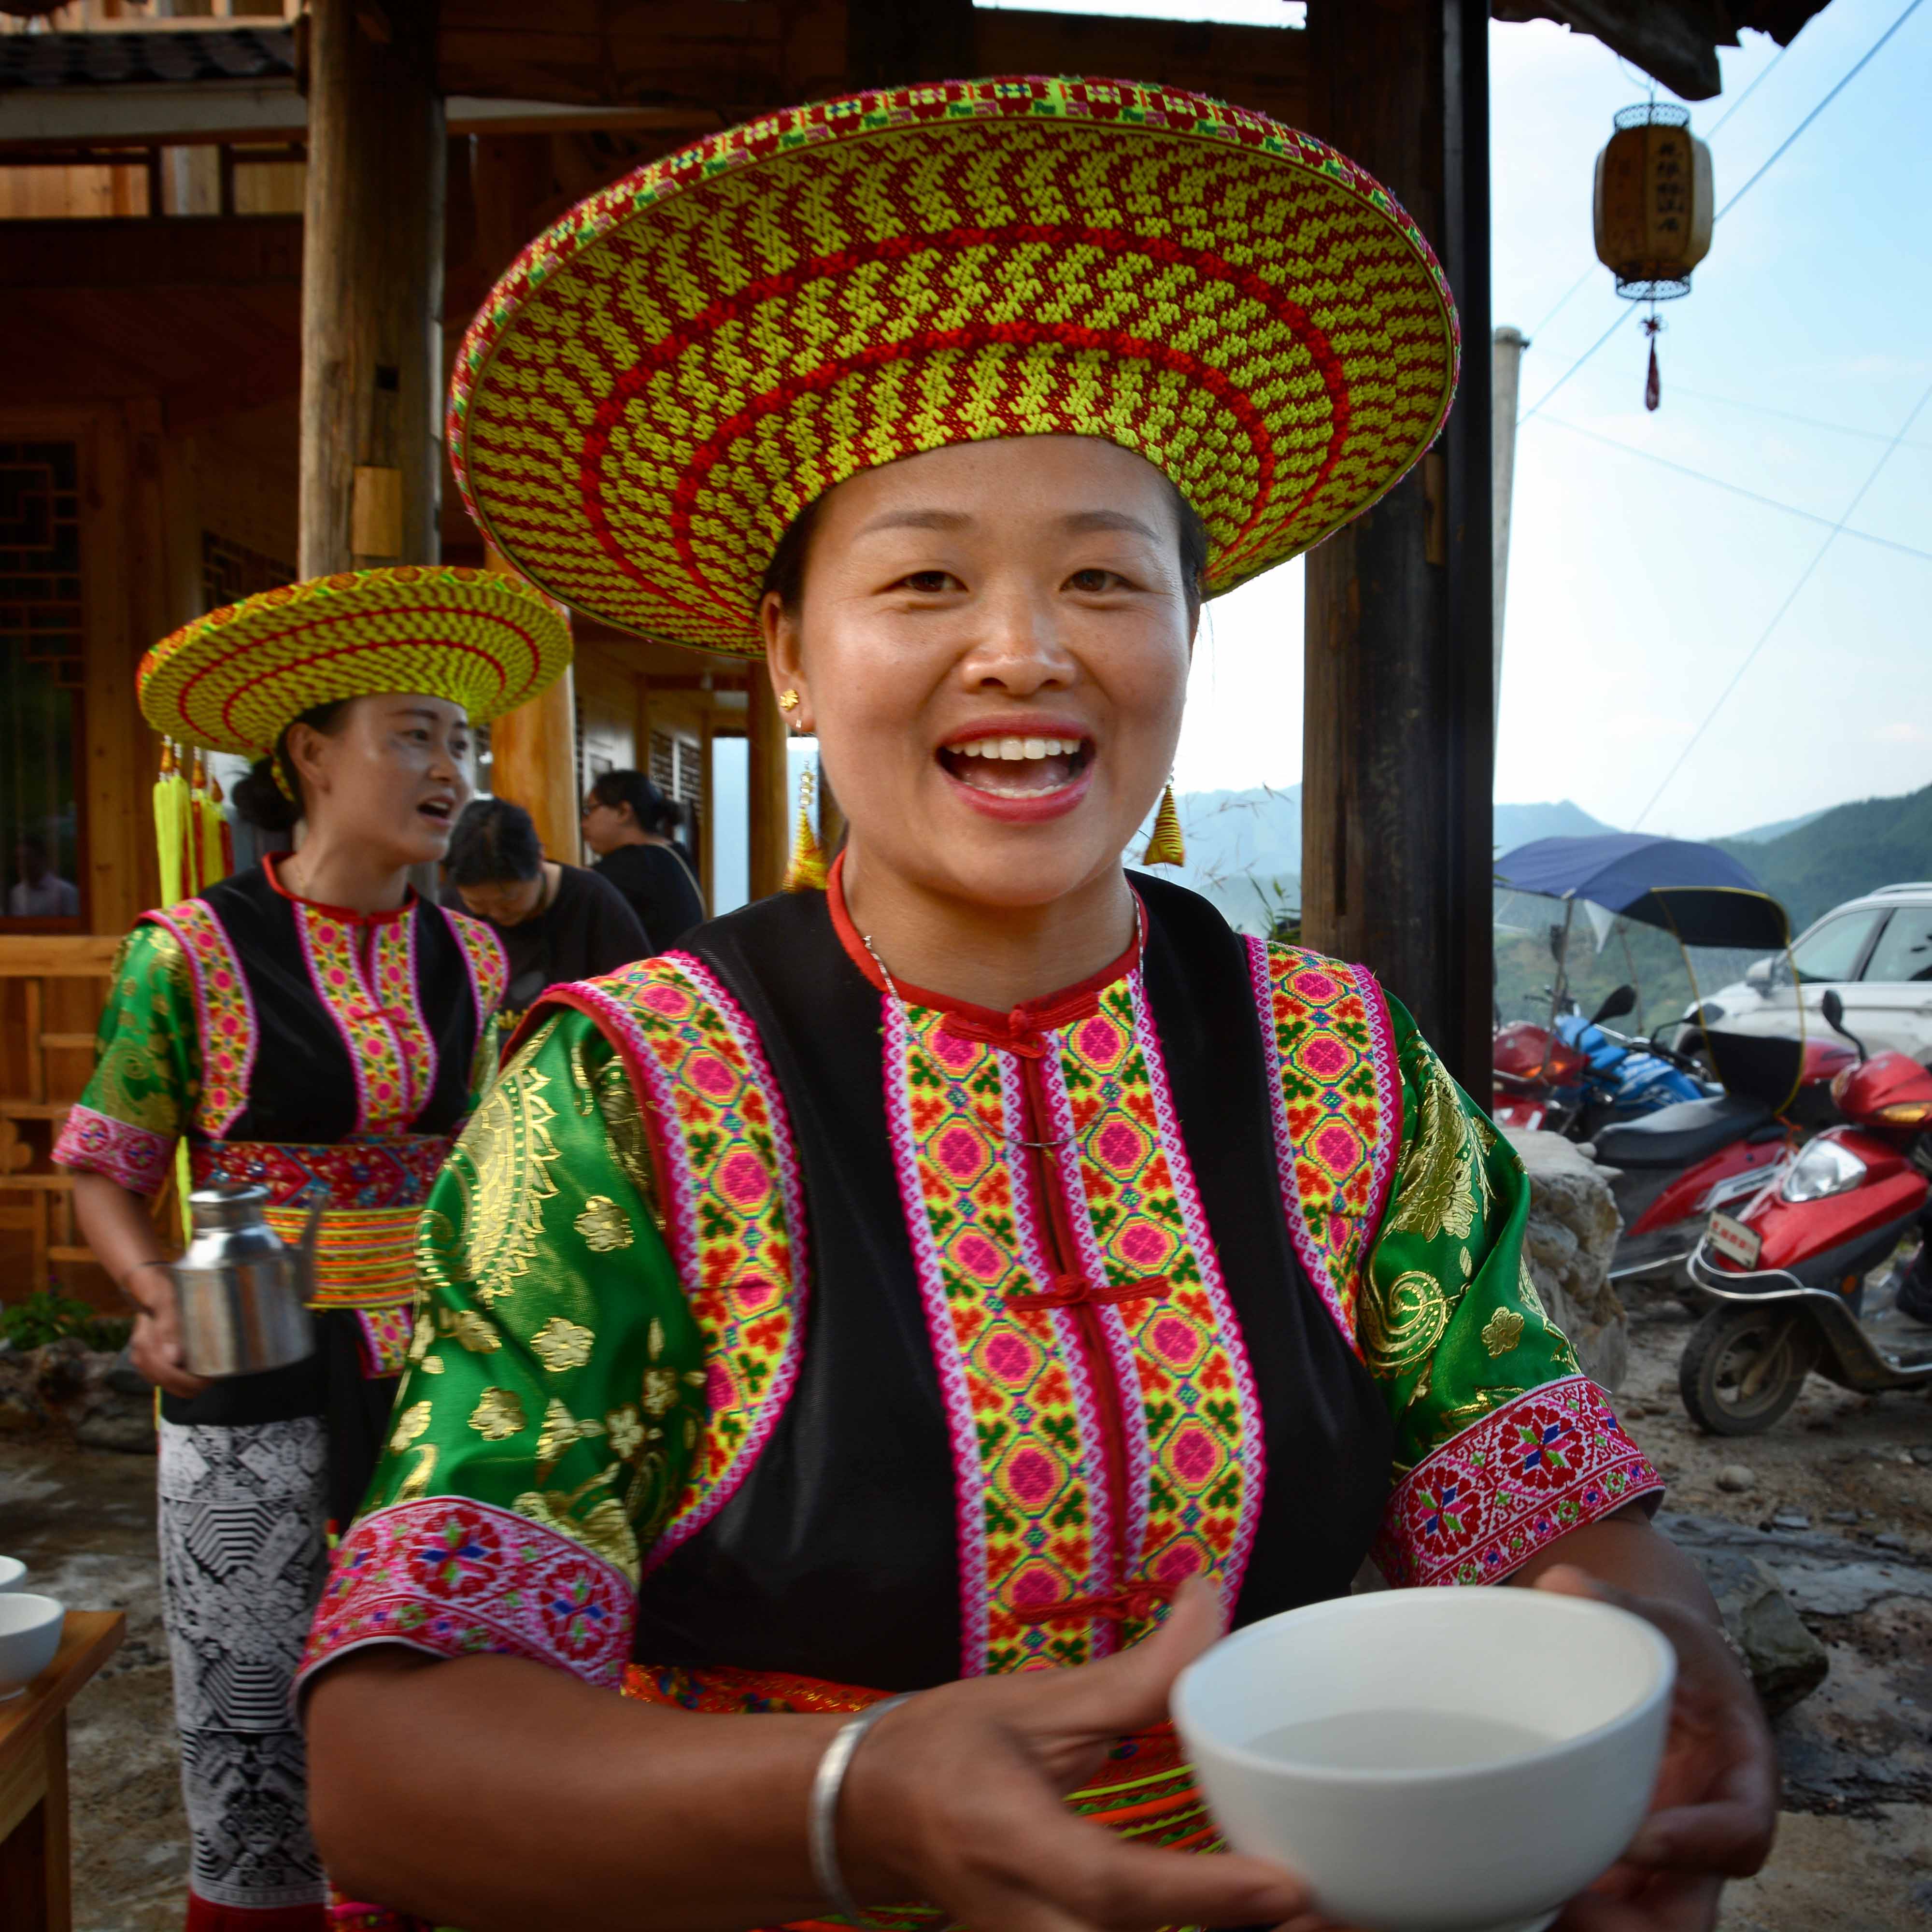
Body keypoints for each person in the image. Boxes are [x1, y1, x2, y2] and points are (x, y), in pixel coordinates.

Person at [300, 79, 1776, 1932]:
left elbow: (1533, 1485)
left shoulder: (1334, 1068)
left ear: (1181, 633)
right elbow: (390, 1771)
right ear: (788, 662)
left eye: (1101, 573)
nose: (1025, 647)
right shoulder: (629, 1098)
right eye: (923, 577)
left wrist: (1656, 1653)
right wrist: (855, 1801)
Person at [57, 565, 570, 1932]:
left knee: (431, 1680)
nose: (450, 768)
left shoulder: (470, 954)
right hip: (255, 1353)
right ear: (310, 751)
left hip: (445, 1370)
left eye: (459, 739)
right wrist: (151, 1293)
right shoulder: (190, 954)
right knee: (249, 1704)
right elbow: (105, 1159)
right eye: (413, 732)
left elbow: (498, 1158)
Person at [442, 796, 652, 1015]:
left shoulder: (593, 900)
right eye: (478, 904)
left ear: (539, 859)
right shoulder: (453, 905)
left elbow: (637, 1002)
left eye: (509, 900)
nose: (495, 914)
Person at [581, 767, 705, 948]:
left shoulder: (633, 864)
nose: (584, 823)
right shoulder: (671, 852)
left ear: (623, 812)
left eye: (590, 810)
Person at [8, 834, 80, 917]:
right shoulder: (17, 893)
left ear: (41, 858)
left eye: (27, 858)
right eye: (18, 859)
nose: (21, 864)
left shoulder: (66, 892)